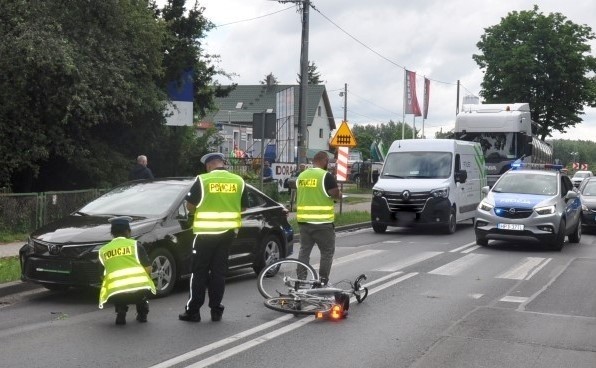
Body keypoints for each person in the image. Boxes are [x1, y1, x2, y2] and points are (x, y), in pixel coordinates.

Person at [179, 152, 248, 323]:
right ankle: (216, 310)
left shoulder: (203, 180)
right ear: (222, 163)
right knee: (219, 272)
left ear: (209, 165)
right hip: (228, 234)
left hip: (205, 234)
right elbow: (244, 208)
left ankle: (193, 311)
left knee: (199, 272)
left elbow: (190, 206)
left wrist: (195, 212)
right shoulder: (238, 181)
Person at [98, 216, 156, 325]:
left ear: (112, 233)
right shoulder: (135, 245)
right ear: (128, 232)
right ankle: (142, 313)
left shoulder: (103, 250)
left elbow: (102, 275)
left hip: (117, 292)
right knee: (145, 285)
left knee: (113, 287)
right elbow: (148, 268)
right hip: (138, 290)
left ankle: (121, 310)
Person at [296, 151, 342, 285]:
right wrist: (339, 195)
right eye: (327, 162)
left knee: (304, 252)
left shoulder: (302, 176)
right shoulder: (326, 176)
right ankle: (322, 281)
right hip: (322, 223)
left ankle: (300, 280)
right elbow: (334, 194)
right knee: (327, 252)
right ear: (325, 161)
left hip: (304, 222)